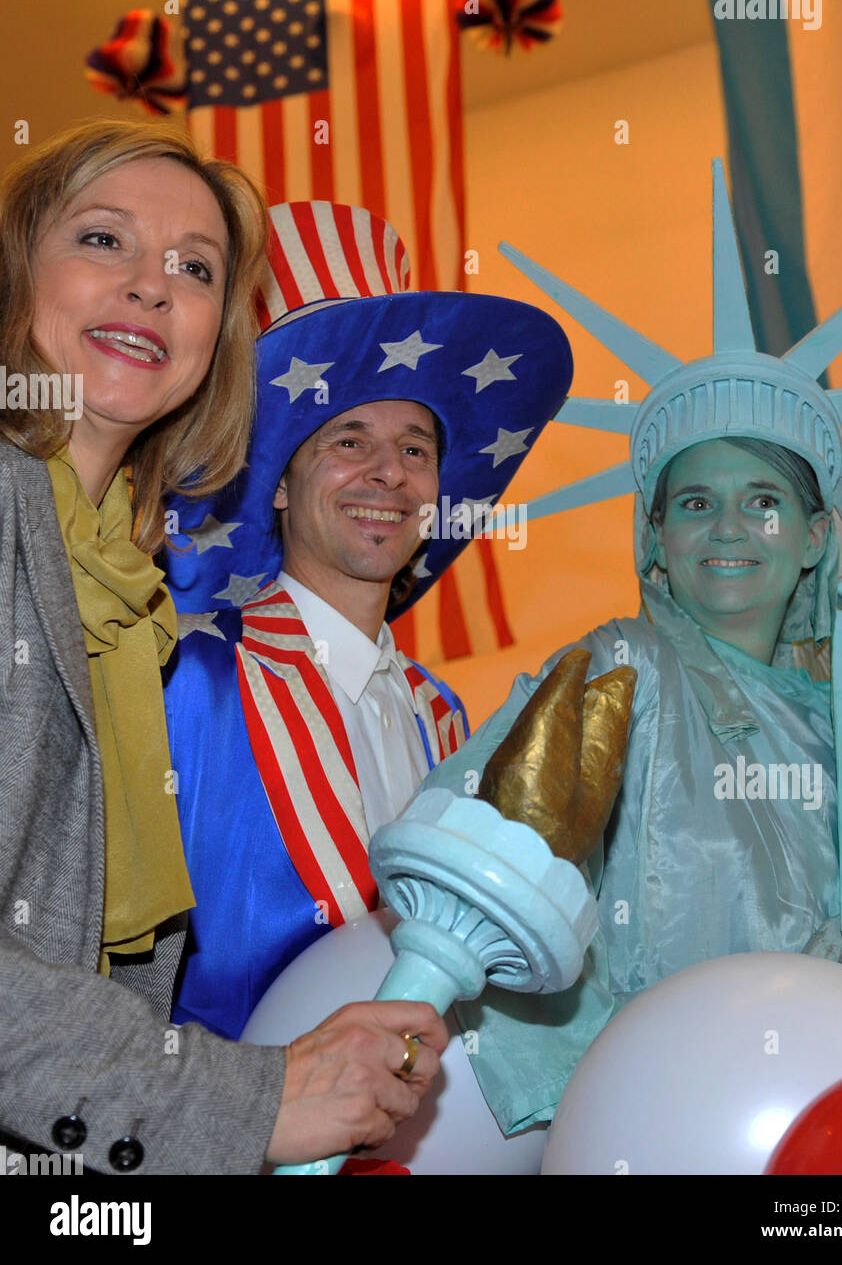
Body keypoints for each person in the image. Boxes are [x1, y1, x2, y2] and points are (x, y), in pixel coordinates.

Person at [410, 161, 842, 1135]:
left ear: (816, 534)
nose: (728, 528)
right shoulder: (625, 670)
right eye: (694, 502)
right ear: (655, 537)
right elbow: (464, 859)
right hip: (673, 1123)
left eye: (764, 501)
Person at [0, 121, 448, 1175]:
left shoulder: (120, 592)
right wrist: (244, 1099)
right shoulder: (194, 668)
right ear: (19, 274)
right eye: (104, 241)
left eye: (193, 269)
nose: (152, 289)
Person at [160, 199, 574, 1042]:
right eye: (348, 440)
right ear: (276, 482)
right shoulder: (193, 678)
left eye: (416, 448)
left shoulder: (442, 713)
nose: (389, 472)